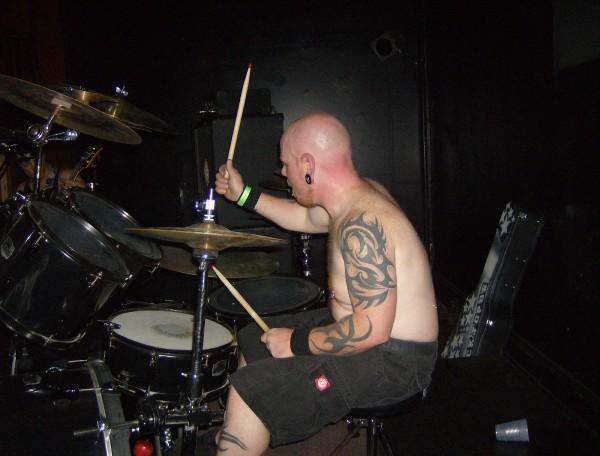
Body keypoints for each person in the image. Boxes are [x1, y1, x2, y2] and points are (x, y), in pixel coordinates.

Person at [210, 112, 438, 456]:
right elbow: (302, 216)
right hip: (370, 336)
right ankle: (244, 428)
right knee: (255, 338)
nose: (282, 172)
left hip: (395, 363)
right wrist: (242, 195)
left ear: (307, 164)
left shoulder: (364, 222)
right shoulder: (351, 197)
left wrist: (296, 343)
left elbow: (372, 330)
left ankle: (243, 425)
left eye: (285, 163)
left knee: (250, 389)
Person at [15, 145, 85, 194]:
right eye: (26, 165)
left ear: (43, 157)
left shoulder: (65, 175)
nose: (34, 167)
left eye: (37, 161)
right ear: (20, 167)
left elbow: (85, 201)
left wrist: (79, 189)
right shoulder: (22, 189)